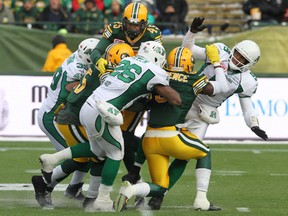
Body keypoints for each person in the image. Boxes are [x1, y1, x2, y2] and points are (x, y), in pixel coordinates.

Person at [154, 17, 268, 211]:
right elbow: (189, 50)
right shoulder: (220, 51)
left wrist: (254, 125)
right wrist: (192, 31)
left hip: (203, 115)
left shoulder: (248, 81)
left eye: (243, 59)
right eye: (238, 54)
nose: (237, 59)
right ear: (235, 48)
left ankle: (159, 195)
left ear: (250, 64)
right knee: (157, 142)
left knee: (186, 156)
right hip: (185, 101)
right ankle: (141, 180)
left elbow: (247, 106)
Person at [113, 43, 228, 212]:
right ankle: (201, 199)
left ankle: (131, 189)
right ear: (189, 63)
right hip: (170, 136)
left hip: (149, 138)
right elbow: (223, 88)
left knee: (160, 187)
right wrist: (216, 64)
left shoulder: (159, 74)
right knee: (205, 152)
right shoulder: (193, 79)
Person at [74, 41, 181, 211]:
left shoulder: (127, 61)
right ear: (157, 57)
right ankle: (102, 199)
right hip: (103, 112)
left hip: (88, 106)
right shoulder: (155, 71)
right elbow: (175, 99)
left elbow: (127, 94)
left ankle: (58, 164)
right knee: (116, 153)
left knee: (97, 152)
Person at [33, 38, 99, 209]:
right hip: (53, 118)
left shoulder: (79, 58)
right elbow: (78, 91)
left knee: (90, 153)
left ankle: (74, 188)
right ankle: (44, 186)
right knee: (78, 157)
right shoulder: (76, 69)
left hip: (63, 117)